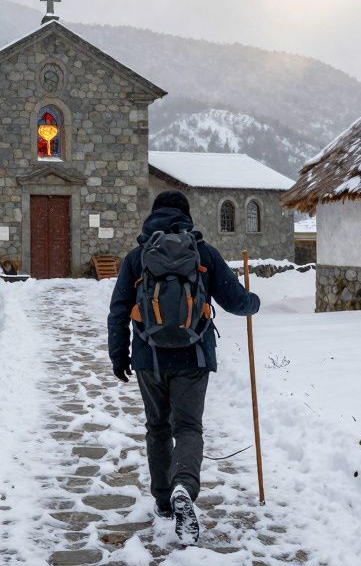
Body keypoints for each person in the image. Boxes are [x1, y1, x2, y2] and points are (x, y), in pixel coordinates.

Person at [106, 190, 261, 544]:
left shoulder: (137, 257)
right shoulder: (202, 253)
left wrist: (119, 356)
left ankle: (163, 500)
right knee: (188, 427)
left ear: (153, 215)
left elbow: (118, 310)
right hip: (194, 357)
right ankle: (184, 487)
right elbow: (236, 302)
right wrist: (253, 302)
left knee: (157, 428)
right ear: (187, 216)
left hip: (149, 358)